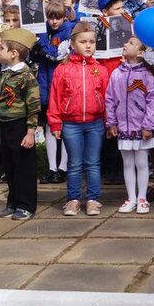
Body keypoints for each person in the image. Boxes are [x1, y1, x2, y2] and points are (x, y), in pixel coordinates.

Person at [45, 21, 107, 216]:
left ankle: (93, 199)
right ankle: (73, 199)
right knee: (74, 163)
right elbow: (55, 98)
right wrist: (55, 122)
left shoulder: (101, 69)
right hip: (71, 124)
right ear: (72, 44)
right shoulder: (62, 70)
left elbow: (108, 97)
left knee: (93, 163)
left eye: (92, 42)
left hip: (95, 123)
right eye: (83, 42)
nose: (88, 46)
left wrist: (110, 121)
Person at [104, 36, 154, 215]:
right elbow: (110, 99)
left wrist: (149, 125)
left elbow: (153, 100)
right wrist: (111, 122)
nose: (125, 45)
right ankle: (131, 198)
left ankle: (142, 198)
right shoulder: (116, 73)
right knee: (127, 163)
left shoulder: (146, 75)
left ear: (140, 52)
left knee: (142, 163)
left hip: (141, 128)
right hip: (123, 128)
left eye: (131, 43)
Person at [0, 27, 41, 220]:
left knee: (24, 168)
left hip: (20, 125)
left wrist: (30, 132)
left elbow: (33, 106)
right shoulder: (3, 73)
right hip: (5, 125)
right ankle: (12, 201)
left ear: (13, 53)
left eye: (1, 49)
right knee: (10, 167)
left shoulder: (26, 76)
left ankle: (26, 205)